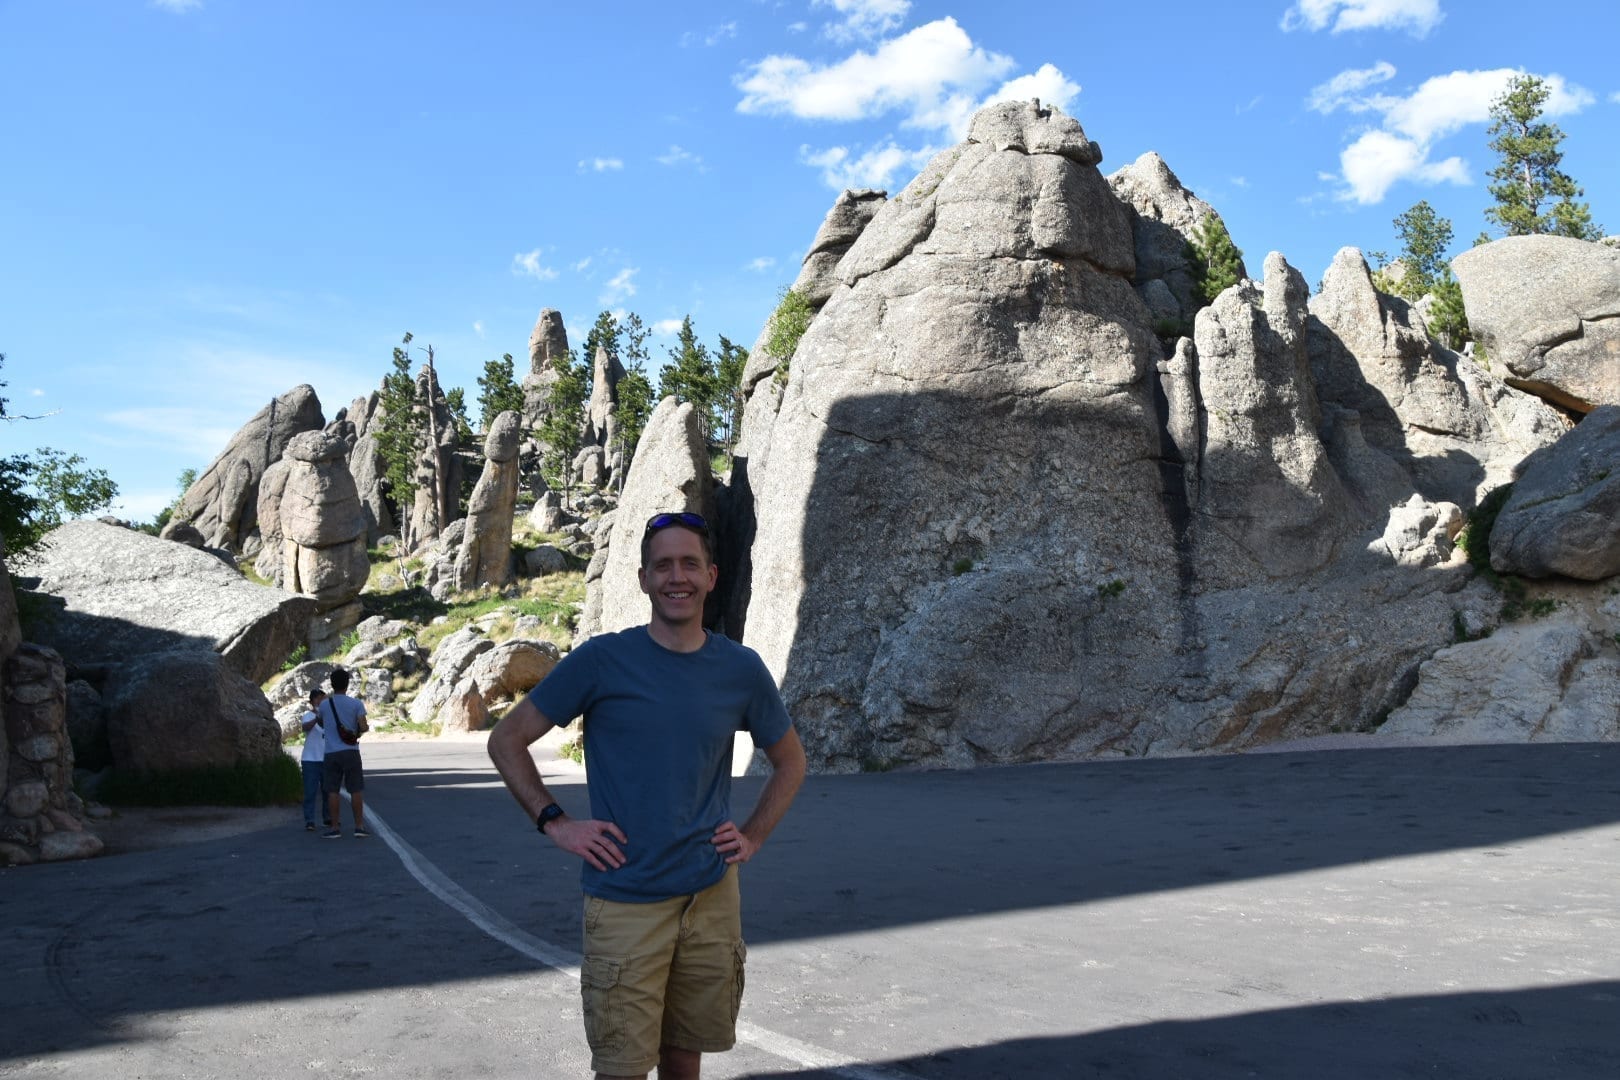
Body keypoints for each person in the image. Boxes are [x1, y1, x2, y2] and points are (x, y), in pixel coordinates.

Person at [489, 510, 806, 1080]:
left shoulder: (740, 669)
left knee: (686, 1053)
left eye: (689, 564)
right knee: (621, 1067)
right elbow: (507, 740)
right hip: (625, 899)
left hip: (711, 898)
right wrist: (556, 822)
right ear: (642, 579)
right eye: (662, 565)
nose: (676, 577)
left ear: (712, 576)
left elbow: (790, 760)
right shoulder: (602, 660)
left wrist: (753, 835)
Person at [320, 667, 369, 839]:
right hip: (351, 751)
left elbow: (321, 722)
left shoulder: (325, 705)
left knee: (332, 790)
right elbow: (363, 726)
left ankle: (334, 827)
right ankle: (359, 827)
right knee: (355, 789)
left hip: (331, 752)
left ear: (332, 685)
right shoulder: (356, 704)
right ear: (347, 684)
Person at [299, 688, 331, 832]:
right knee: (310, 791)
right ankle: (310, 820)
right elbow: (305, 727)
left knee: (328, 791)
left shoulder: (330, 717)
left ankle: (328, 818)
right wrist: (317, 719)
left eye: (322, 698)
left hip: (327, 758)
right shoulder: (307, 715)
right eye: (317, 698)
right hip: (310, 760)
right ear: (311, 701)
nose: (320, 701)